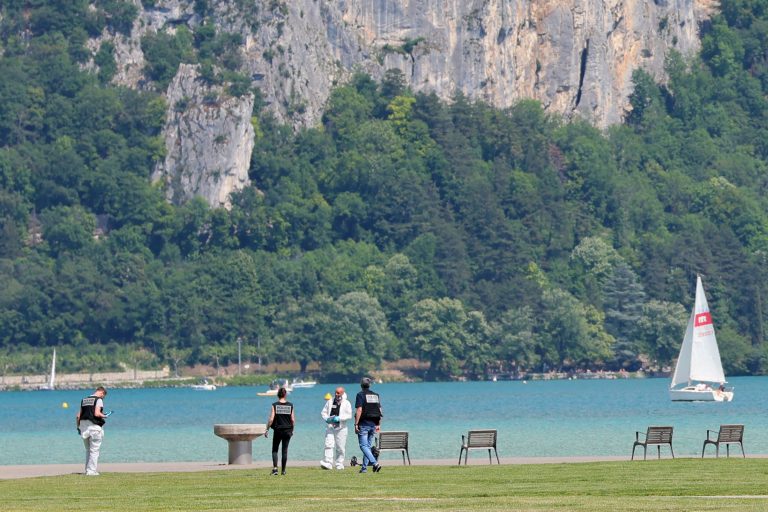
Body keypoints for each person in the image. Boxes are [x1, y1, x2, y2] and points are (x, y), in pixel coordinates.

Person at [75, 386, 108, 476]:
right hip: (95, 428)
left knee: (88, 450)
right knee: (94, 450)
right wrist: (104, 415)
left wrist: (78, 428)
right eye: (103, 396)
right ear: (102, 393)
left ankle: (88, 470)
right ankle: (91, 471)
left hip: (84, 428)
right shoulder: (99, 400)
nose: (102, 398)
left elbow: (78, 416)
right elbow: (97, 413)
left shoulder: (84, 400)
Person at [354, 377, 382, 473]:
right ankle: (364, 468)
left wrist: (356, 424)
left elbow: (359, 410)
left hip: (364, 424)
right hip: (373, 424)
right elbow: (380, 411)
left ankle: (375, 463)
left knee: (363, 446)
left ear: (361, 385)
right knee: (368, 447)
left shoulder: (360, 395)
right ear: (369, 385)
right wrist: (378, 424)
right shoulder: (375, 395)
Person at [320, 386, 353, 470]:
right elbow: (323, 412)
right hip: (330, 427)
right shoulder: (330, 401)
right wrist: (326, 419)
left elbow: (349, 415)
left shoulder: (346, 403)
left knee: (340, 447)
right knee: (328, 444)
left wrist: (339, 418)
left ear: (342, 393)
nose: (336, 394)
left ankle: (339, 463)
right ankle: (328, 463)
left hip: (341, 428)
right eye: (335, 392)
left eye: (338, 393)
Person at [265, 387, 294, 475]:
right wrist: (292, 430)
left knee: (275, 450)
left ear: (278, 395)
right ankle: (284, 470)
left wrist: (267, 429)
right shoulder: (290, 405)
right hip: (288, 430)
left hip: (278, 430)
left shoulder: (275, 405)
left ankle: (275, 469)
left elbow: (271, 419)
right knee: (284, 450)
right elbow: (293, 419)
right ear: (285, 395)